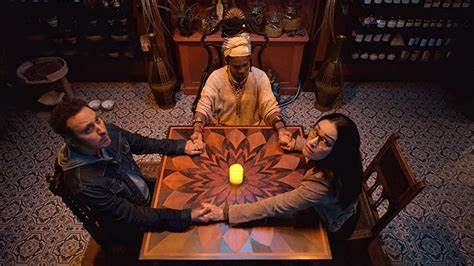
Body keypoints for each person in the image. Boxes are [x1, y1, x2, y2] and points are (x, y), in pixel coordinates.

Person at [49, 99, 209, 248]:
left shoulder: (107, 132)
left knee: (197, 189)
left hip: (140, 189)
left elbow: (142, 144)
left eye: (97, 119)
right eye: (88, 129)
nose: (101, 130)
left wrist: (181, 147)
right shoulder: (83, 183)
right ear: (72, 141)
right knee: (188, 241)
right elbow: (132, 214)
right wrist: (186, 217)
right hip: (128, 225)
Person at [203, 113, 364, 241]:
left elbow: (274, 206)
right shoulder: (348, 159)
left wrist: (226, 213)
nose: (312, 142)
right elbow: (312, 145)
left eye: (324, 141)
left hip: (334, 225)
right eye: (315, 130)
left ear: (338, 151)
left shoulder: (321, 184)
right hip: (345, 203)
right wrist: (297, 144)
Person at [191, 32, 292, 148]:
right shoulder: (216, 77)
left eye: (245, 64)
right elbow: (204, 106)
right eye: (236, 67)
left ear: (250, 60)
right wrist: (197, 130)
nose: (242, 70)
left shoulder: (260, 77)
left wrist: (281, 128)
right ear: (227, 62)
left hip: (253, 130)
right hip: (222, 130)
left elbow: (269, 106)